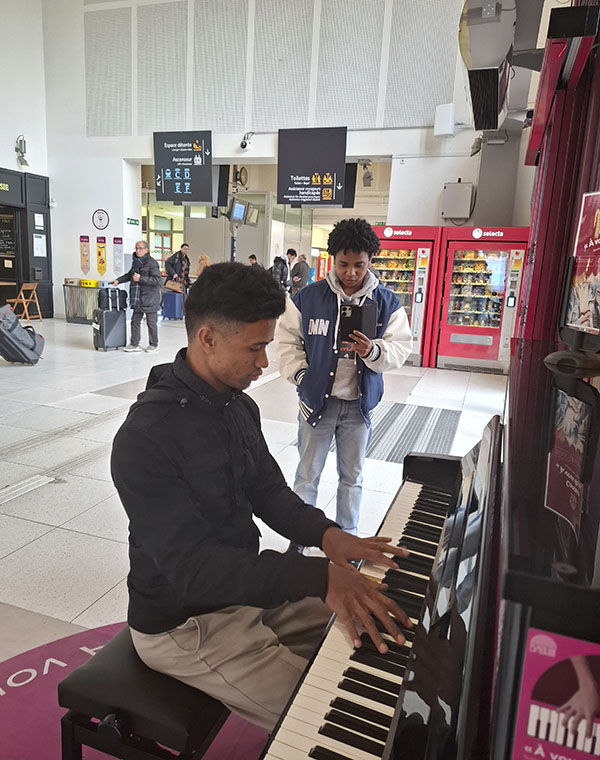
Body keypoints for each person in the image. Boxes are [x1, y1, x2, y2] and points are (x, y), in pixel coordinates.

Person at [111, 262, 412, 732]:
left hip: (242, 593)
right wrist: (318, 576)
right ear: (208, 338)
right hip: (183, 623)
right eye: (255, 347)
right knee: (331, 722)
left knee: (376, 619)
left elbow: (268, 491)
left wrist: (328, 536)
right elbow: (193, 571)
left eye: (267, 346)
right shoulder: (145, 438)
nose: (265, 363)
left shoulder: (237, 405)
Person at [275, 218, 412, 538]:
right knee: (307, 475)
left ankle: (348, 536)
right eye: (343, 264)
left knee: (352, 477)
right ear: (332, 260)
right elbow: (286, 342)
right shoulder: (307, 298)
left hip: (358, 408)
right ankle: (301, 536)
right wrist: (303, 376)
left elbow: (400, 347)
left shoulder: (386, 302)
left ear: (370, 260)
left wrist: (373, 351)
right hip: (315, 405)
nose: (351, 273)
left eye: (359, 265)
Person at [113, 240, 162, 353]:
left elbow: (157, 280)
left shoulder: (152, 263)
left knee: (151, 323)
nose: (138, 251)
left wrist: (140, 279)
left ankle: (154, 344)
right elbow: (130, 275)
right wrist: (118, 280)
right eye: (136, 248)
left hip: (150, 298)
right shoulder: (135, 262)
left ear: (146, 250)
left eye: (140, 248)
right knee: (135, 321)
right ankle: (134, 344)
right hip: (137, 298)